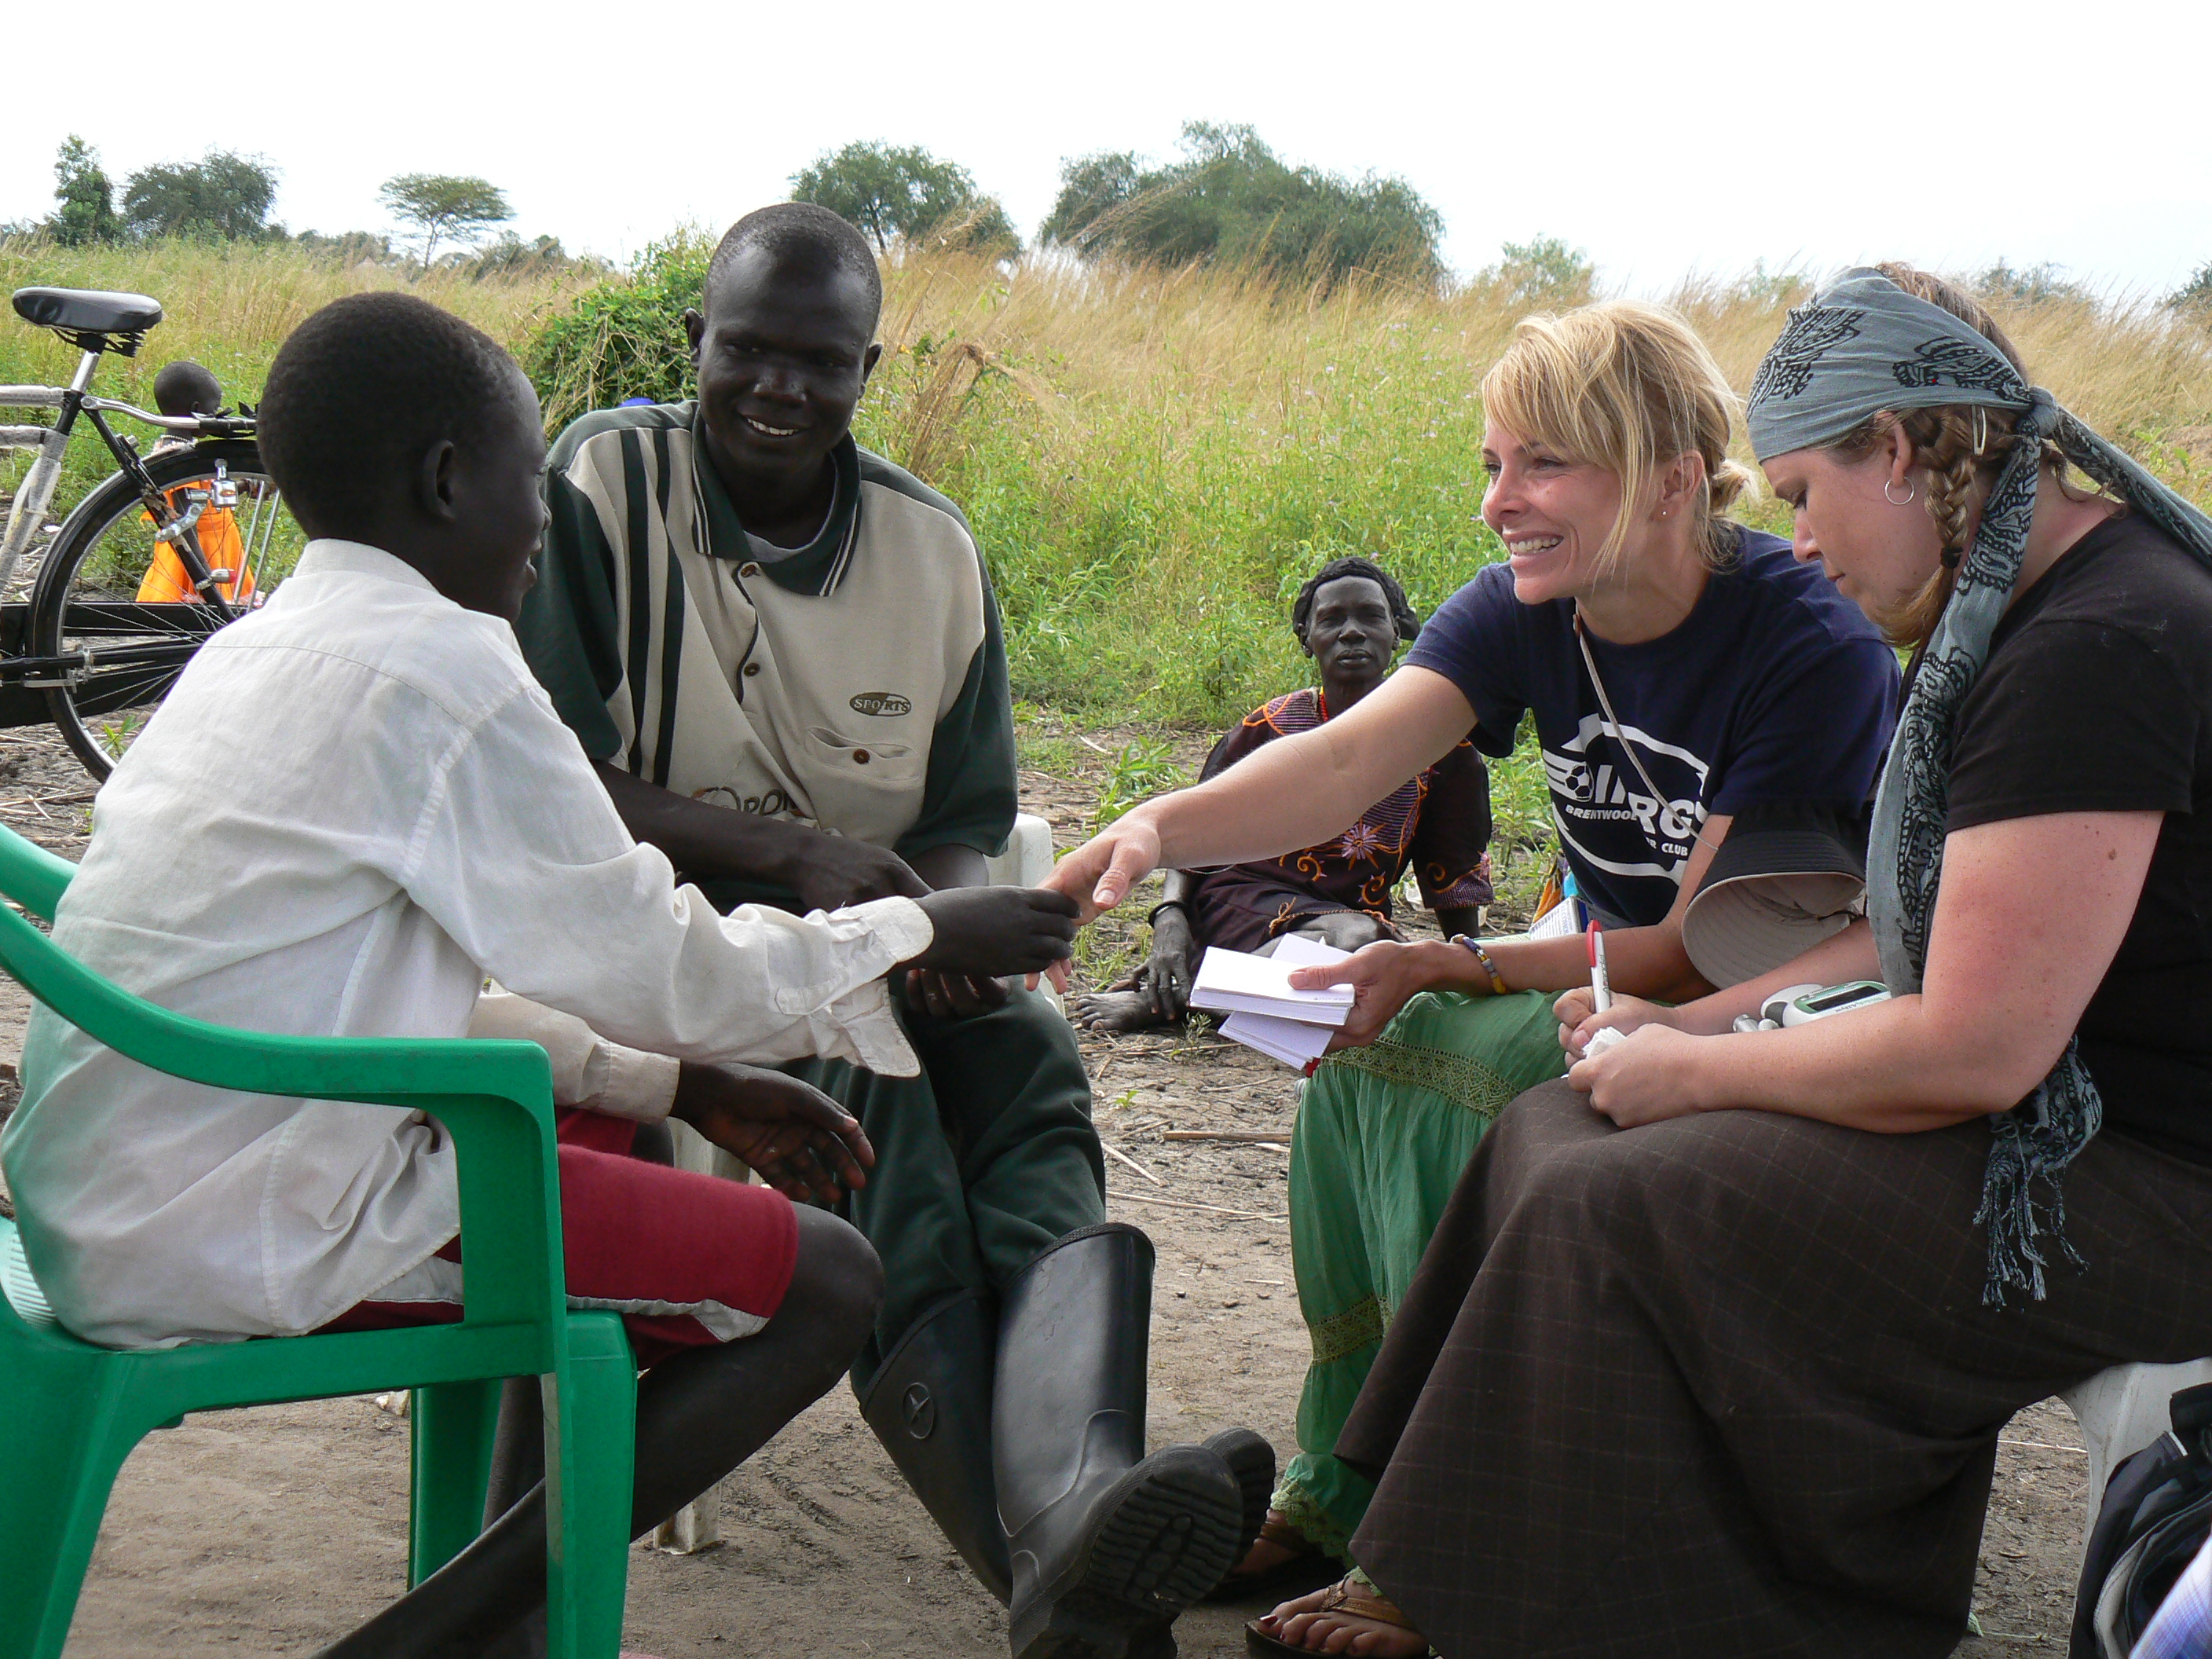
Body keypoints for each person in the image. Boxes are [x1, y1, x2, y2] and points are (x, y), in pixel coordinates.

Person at [0, 291, 1082, 1658]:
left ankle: (497, 1628)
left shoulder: (257, 643)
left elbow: (372, 996)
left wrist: (682, 1086)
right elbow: (664, 968)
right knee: (823, 1282)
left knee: (607, 1127)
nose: (543, 529)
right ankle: (427, 1642)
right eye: (529, 484)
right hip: (230, 1220)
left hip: (116, 1177)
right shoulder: (448, 669)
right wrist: (921, 933)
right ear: (449, 481)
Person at [1257, 265, 2212, 1657]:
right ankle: (1434, 1542)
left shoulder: (2098, 641)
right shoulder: (2013, 613)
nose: (1800, 543)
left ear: (1902, 450)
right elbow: (1903, 941)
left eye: (1808, 494)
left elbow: (1976, 1045)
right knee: (1554, 1135)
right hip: (2063, 1123)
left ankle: (1657, 1604)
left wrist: (1700, 1072)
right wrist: (1699, 1034)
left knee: (1626, 1195)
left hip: (2147, 1178)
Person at [1046, 302, 1903, 1602]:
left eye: (1545, 464)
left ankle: (1450, 1541)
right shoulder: (1525, 608)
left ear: (1674, 477)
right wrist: (1151, 826)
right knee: (1358, 1060)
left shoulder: (1807, 645)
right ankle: (1346, 1485)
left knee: (1490, 1082)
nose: (1499, 503)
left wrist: (1462, 962)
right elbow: (1338, 764)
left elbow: (1700, 950)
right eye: (1494, 464)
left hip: (1784, 988)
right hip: (1610, 956)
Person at [514, 203, 1263, 1657]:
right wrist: (813, 872)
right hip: (675, 938)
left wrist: (934, 925)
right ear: (697, 342)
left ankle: (1077, 1499)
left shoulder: (931, 549)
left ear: (868, 368)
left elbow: (964, 813)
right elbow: (556, 784)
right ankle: (1052, 1566)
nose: (777, 388)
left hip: (876, 926)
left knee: (1028, 1059)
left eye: (820, 362)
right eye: (747, 350)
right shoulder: (607, 480)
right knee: (879, 1096)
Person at [1068, 556, 1492, 1034]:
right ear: (1306, 639)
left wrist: (1471, 974)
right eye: (1331, 620)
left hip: (1339, 926)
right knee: (1358, 939)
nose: (1352, 632)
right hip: (1238, 905)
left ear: (1397, 632)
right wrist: (1170, 923)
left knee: (1380, 956)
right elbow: (1188, 832)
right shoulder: (1271, 725)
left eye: (1371, 617)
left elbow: (1453, 875)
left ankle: (1208, 987)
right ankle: (1186, 1003)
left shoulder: (1443, 749)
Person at [137, 359, 256, 605]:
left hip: (218, 546)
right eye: (215, 408)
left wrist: (245, 484)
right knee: (204, 616)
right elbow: (185, 522)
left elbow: (207, 498)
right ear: (196, 408)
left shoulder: (176, 450)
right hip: (201, 555)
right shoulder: (178, 460)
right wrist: (204, 580)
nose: (218, 414)